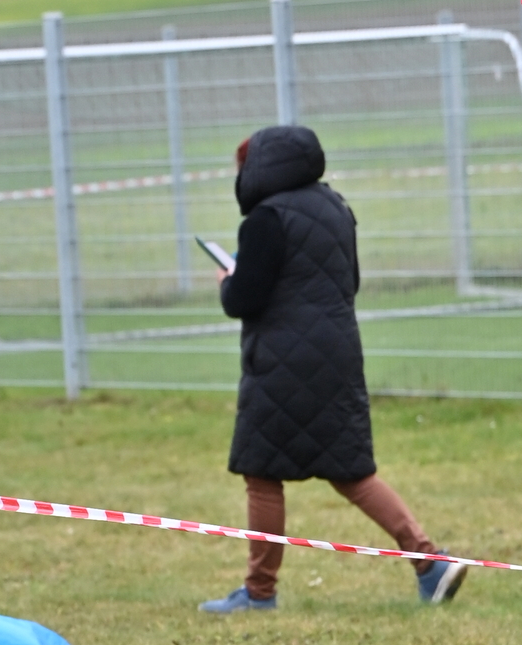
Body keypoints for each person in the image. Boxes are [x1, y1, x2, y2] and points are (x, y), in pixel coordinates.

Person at [198, 124, 464, 616]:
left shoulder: (265, 219)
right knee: (353, 472)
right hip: (339, 354)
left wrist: (227, 279)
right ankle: (429, 561)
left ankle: (259, 593)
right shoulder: (337, 207)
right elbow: (348, 281)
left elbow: (243, 299)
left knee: (262, 474)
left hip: (280, 363)